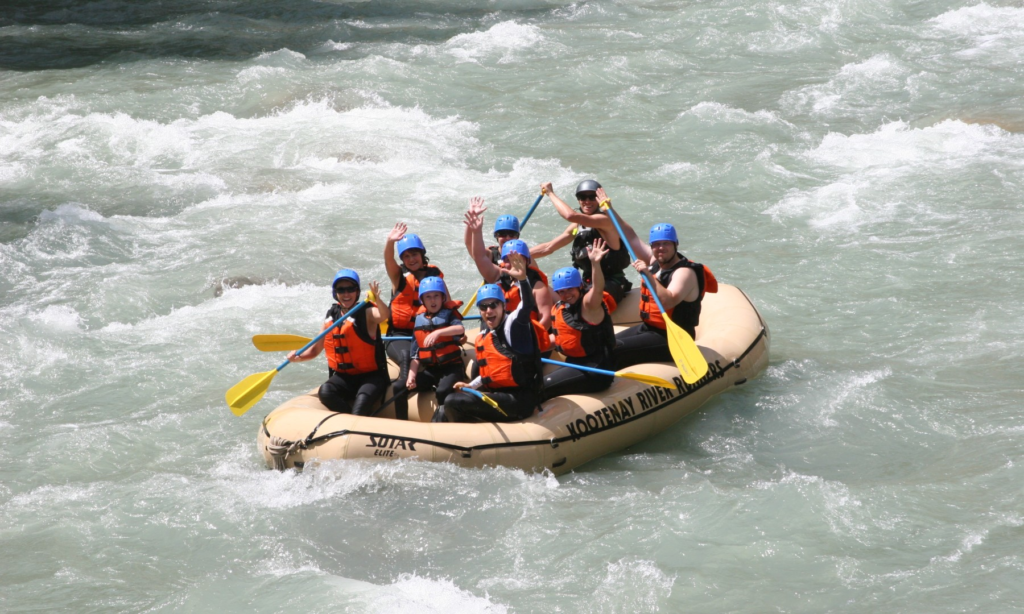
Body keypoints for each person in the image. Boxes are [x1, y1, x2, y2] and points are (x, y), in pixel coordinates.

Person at [438, 252, 543, 423]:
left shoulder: (514, 326)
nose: (489, 311)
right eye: (484, 307)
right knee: (442, 410)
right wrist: (471, 386)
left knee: (452, 402)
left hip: (519, 400)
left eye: (494, 305)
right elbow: (492, 371)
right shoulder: (485, 334)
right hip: (499, 395)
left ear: (503, 306)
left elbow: (526, 307)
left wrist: (523, 280)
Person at [613, 222, 717, 370]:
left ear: (676, 245)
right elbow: (631, 237)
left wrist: (648, 275)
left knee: (616, 351)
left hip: (676, 339)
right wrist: (608, 209)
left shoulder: (684, 272)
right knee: (606, 344)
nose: (660, 248)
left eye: (666, 243)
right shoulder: (656, 262)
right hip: (650, 329)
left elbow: (668, 302)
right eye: (655, 244)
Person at [286, 269, 391, 415]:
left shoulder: (366, 312)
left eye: (350, 289)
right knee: (326, 391)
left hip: (371, 377)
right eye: (341, 290)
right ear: (335, 293)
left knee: (361, 405)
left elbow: (384, 315)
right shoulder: (331, 316)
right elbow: (315, 350)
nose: (346, 294)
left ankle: (356, 419)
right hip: (344, 378)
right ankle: (347, 418)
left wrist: (378, 300)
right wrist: (298, 358)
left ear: (357, 292)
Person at [530, 180, 632, 305]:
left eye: (592, 197)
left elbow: (570, 215)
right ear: (578, 200)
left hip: (611, 283)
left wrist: (550, 193)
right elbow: (548, 247)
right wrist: (519, 254)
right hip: (588, 282)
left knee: (583, 306)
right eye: (583, 197)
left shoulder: (604, 220)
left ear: (599, 200)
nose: (587, 201)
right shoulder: (577, 227)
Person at [464, 198, 554, 335]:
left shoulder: (536, 283)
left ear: (526, 260)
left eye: (518, 258)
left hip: (527, 335)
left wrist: (529, 339)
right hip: (499, 329)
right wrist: (475, 230)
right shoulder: (497, 272)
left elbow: (546, 316)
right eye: (508, 259)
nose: (512, 262)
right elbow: (478, 256)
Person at [542, 238, 617, 399]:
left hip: (597, 370)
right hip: (574, 364)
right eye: (561, 291)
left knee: (543, 386)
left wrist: (595, 264)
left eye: (570, 290)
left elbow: (597, 289)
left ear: (580, 287)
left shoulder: (589, 305)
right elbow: (561, 338)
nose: (566, 295)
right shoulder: (562, 306)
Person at [383, 222, 445, 404]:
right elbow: (388, 261)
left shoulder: (434, 274)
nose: (411, 259)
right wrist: (389, 242)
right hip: (399, 335)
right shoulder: (398, 277)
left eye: (415, 254)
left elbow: (446, 302)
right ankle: (402, 392)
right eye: (407, 256)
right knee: (406, 355)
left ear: (422, 254)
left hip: (427, 331)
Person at [390, 276, 466, 420]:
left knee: (443, 390)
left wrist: (439, 332)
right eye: (428, 297)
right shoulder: (420, 320)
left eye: (436, 296)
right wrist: (411, 376)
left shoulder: (449, 314)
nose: (433, 300)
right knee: (399, 387)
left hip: (451, 368)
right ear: (422, 300)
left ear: (443, 297)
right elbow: (415, 355)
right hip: (431, 371)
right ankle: (402, 423)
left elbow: (459, 329)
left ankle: (445, 424)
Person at [464, 195, 521, 265]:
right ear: (496, 236)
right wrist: (473, 216)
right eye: (502, 233)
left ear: (517, 236)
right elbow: (470, 244)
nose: (507, 238)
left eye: (512, 234)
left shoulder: (524, 256)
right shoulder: (490, 255)